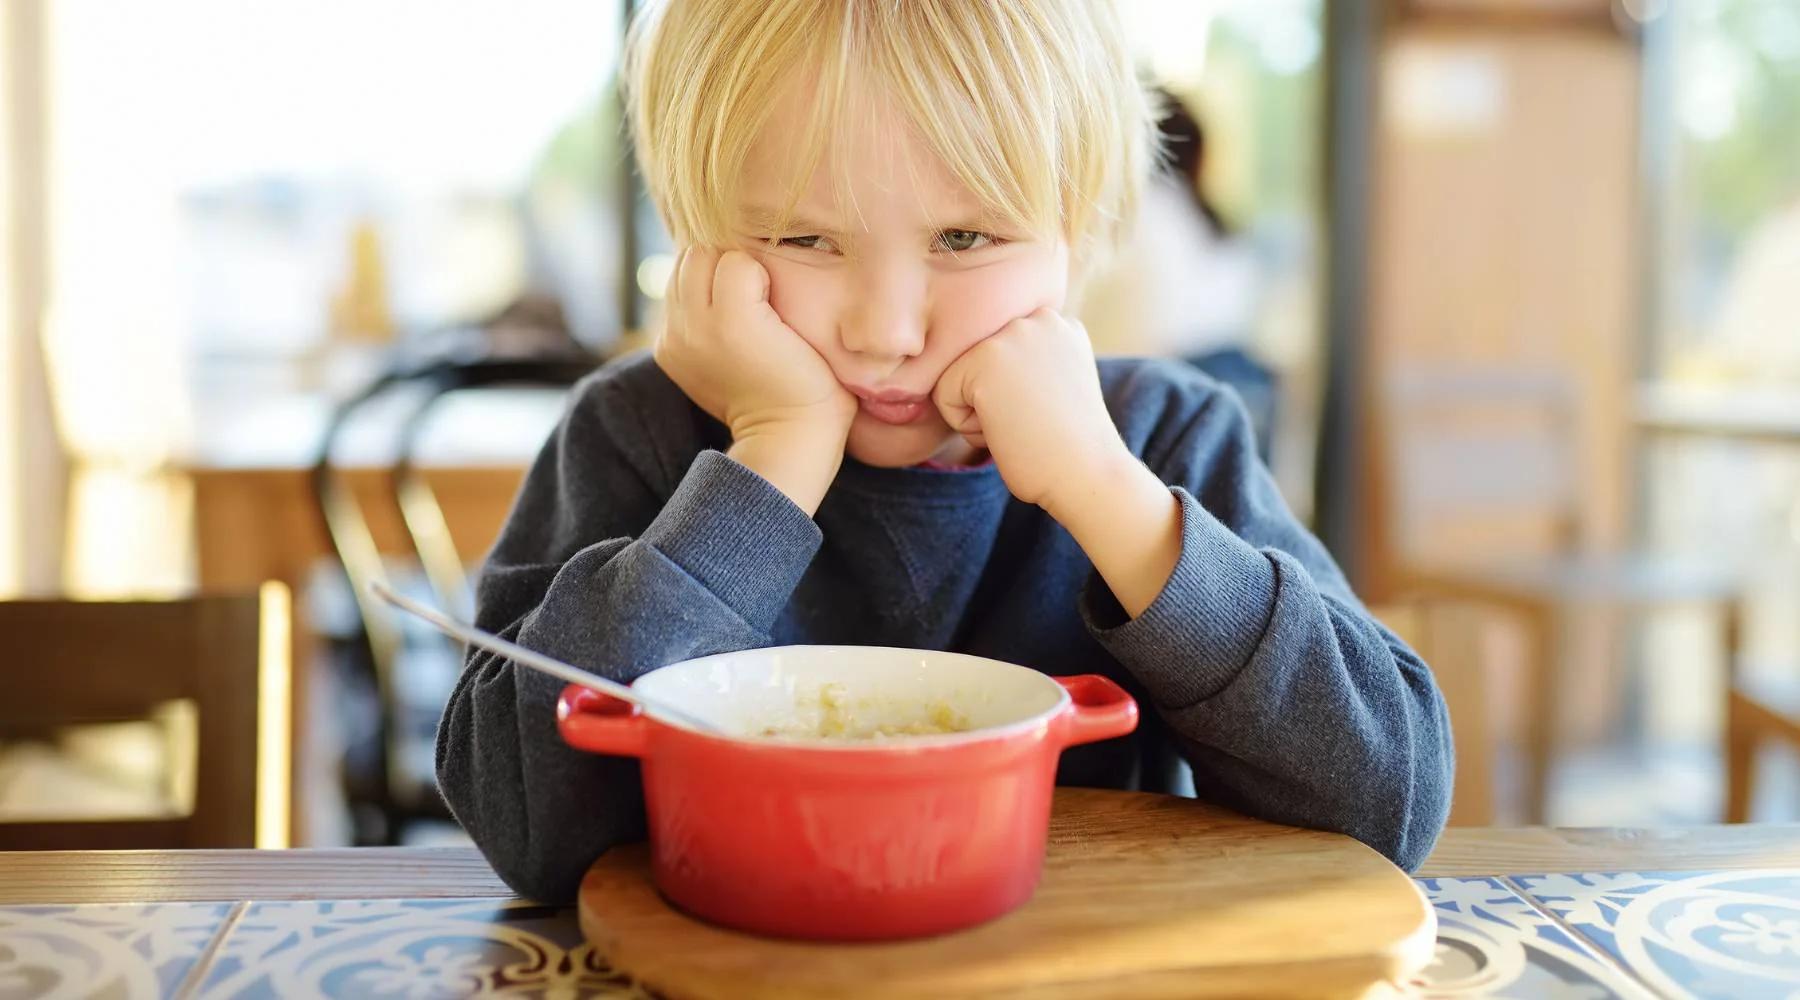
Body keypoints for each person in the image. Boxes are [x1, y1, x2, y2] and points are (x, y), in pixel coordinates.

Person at [437, 0, 1453, 903]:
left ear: (1079, 230)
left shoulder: (1160, 439)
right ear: (695, 232)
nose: (886, 330)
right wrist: (773, 457)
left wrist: (1105, 491)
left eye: (965, 239)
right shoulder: (637, 434)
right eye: (803, 238)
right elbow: (523, 826)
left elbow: (1387, 802)